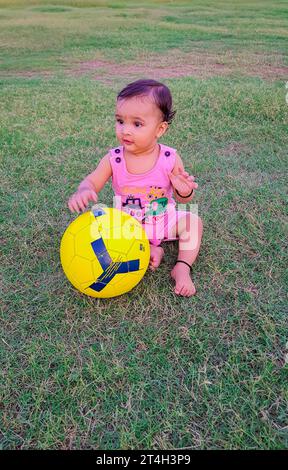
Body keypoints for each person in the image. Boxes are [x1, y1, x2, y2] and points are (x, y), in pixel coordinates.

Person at [68, 79, 203, 297]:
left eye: (137, 124)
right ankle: (148, 248)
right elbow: (92, 180)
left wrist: (184, 190)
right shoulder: (114, 159)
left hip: (162, 218)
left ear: (160, 129)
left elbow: (184, 198)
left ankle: (182, 267)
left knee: (193, 222)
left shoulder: (170, 158)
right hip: (127, 223)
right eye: (120, 121)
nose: (125, 131)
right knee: (106, 235)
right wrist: (85, 190)